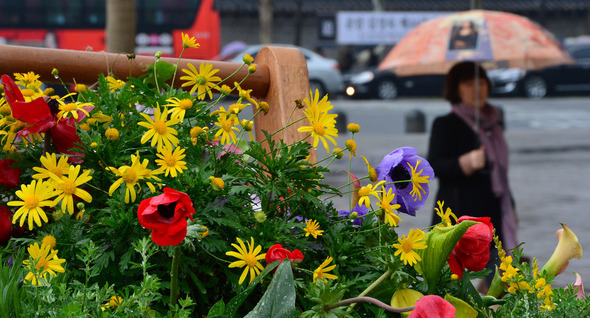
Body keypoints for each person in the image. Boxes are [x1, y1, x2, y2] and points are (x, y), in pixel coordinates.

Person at [427, 61, 518, 289]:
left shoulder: (493, 125)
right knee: (450, 287)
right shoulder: (445, 124)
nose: (477, 89)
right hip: (457, 218)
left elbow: (500, 175)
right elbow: (435, 166)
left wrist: (512, 207)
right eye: (469, 84)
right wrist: (465, 163)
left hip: (492, 218)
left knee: (503, 286)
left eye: (481, 82)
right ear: (456, 88)